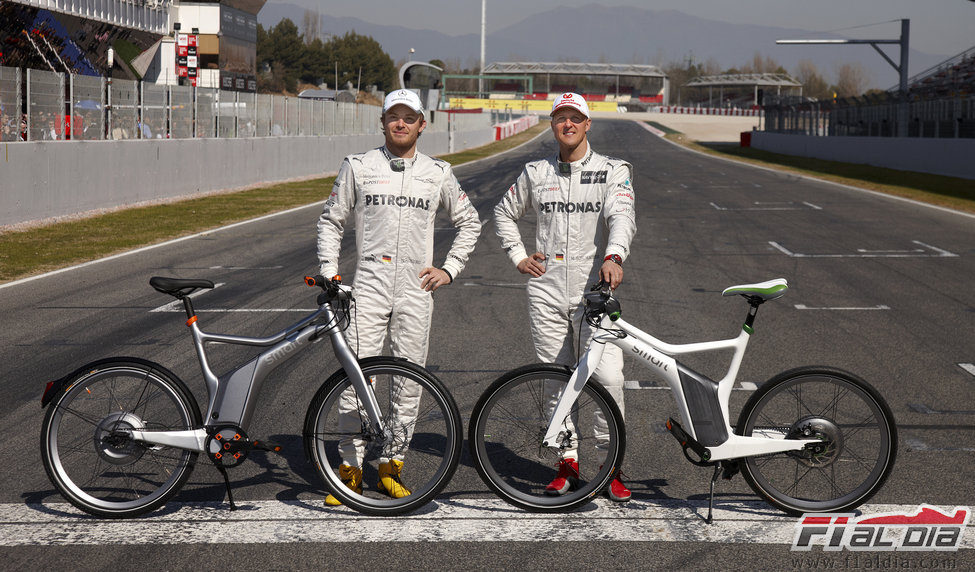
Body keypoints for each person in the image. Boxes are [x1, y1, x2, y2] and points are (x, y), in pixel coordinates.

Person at [316, 89, 481, 505]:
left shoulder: (438, 172)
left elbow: (469, 222)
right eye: (394, 117)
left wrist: (449, 269)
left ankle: (392, 466)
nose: (401, 123)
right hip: (367, 286)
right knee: (357, 381)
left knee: (408, 383)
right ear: (383, 121)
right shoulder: (359, 166)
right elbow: (331, 221)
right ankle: (350, 470)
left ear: (422, 124)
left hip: (415, 288)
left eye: (409, 117)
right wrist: (329, 273)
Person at [493, 92, 636, 502]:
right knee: (558, 378)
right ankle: (566, 462)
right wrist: (519, 256)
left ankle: (613, 466)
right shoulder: (536, 172)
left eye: (576, 118)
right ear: (553, 124)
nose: (568, 124)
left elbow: (622, 216)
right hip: (547, 288)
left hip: (596, 291)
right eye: (561, 118)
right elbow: (503, 212)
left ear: (588, 124)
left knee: (608, 379)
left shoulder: (612, 170)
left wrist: (614, 255)